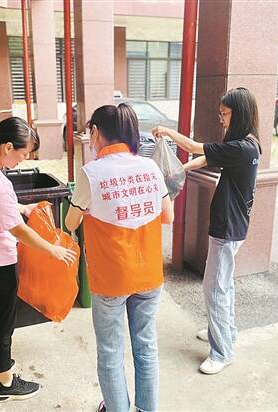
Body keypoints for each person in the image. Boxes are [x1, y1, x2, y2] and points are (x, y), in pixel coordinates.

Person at [0, 116, 77, 402]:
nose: (25, 159)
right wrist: (52, 249)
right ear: (8, 147)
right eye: (24, 153)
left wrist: (21, 207)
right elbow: (17, 230)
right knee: (1, 323)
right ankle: (5, 384)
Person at [65, 104, 174, 412]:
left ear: (96, 132)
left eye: (90, 131)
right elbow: (168, 216)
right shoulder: (150, 167)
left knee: (111, 353)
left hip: (111, 279)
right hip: (149, 274)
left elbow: (70, 223)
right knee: (146, 347)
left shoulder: (91, 173)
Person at [152, 87, 261, 375]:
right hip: (234, 225)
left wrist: (168, 132)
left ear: (239, 113)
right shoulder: (247, 144)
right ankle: (225, 331)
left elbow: (196, 147)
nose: (221, 119)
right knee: (224, 285)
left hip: (227, 227)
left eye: (225, 114)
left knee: (214, 288)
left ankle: (222, 351)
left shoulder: (241, 148)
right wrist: (182, 169)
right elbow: (207, 157)